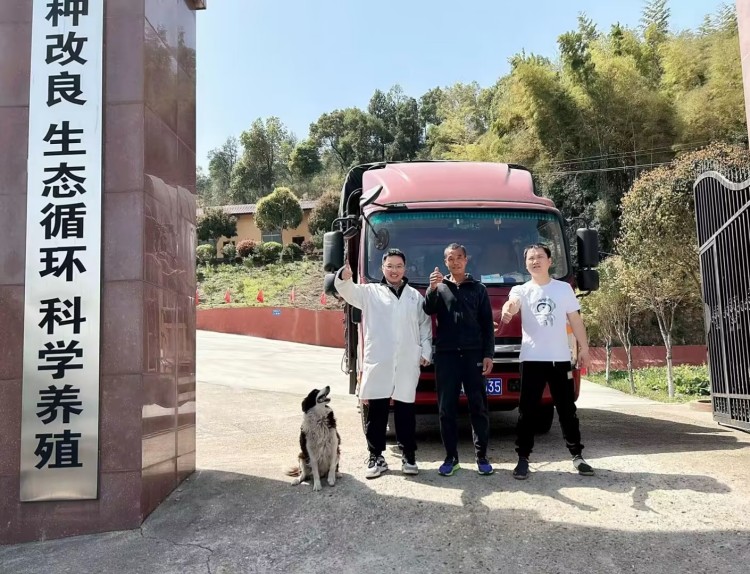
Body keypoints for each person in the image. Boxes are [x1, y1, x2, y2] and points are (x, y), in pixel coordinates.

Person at [335, 248, 432, 478]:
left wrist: (426, 350)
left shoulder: (414, 297)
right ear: (382, 268)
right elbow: (347, 291)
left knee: (405, 411)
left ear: (405, 268)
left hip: (407, 359)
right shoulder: (369, 292)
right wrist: (344, 277)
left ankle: (408, 455)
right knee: (377, 411)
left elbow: (424, 325)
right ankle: (376, 456)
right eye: (390, 266)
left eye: (398, 266)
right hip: (379, 360)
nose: (394, 271)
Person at [500, 243, 594, 480]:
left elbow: (576, 320)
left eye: (540, 257)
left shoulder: (563, 289)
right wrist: (507, 310)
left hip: (559, 360)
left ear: (550, 261)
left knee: (567, 410)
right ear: (526, 264)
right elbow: (512, 303)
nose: (535, 261)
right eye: (531, 258)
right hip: (531, 359)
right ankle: (523, 458)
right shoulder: (521, 289)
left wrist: (584, 348)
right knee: (527, 412)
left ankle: (577, 455)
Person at [423, 243, 495, 476]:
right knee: (446, 409)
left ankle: (481, 457)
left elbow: (487, 325)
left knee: (478, 407)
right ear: (445, 262)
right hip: (447, 355)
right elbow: (428, 310)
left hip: (473, 354)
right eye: (450, 258)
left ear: (466, 259)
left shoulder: (478, 289)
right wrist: (432, 288)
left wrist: (488, 354)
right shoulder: (439, 287)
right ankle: (450, 458)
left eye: (459, 257)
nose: (455, 262)